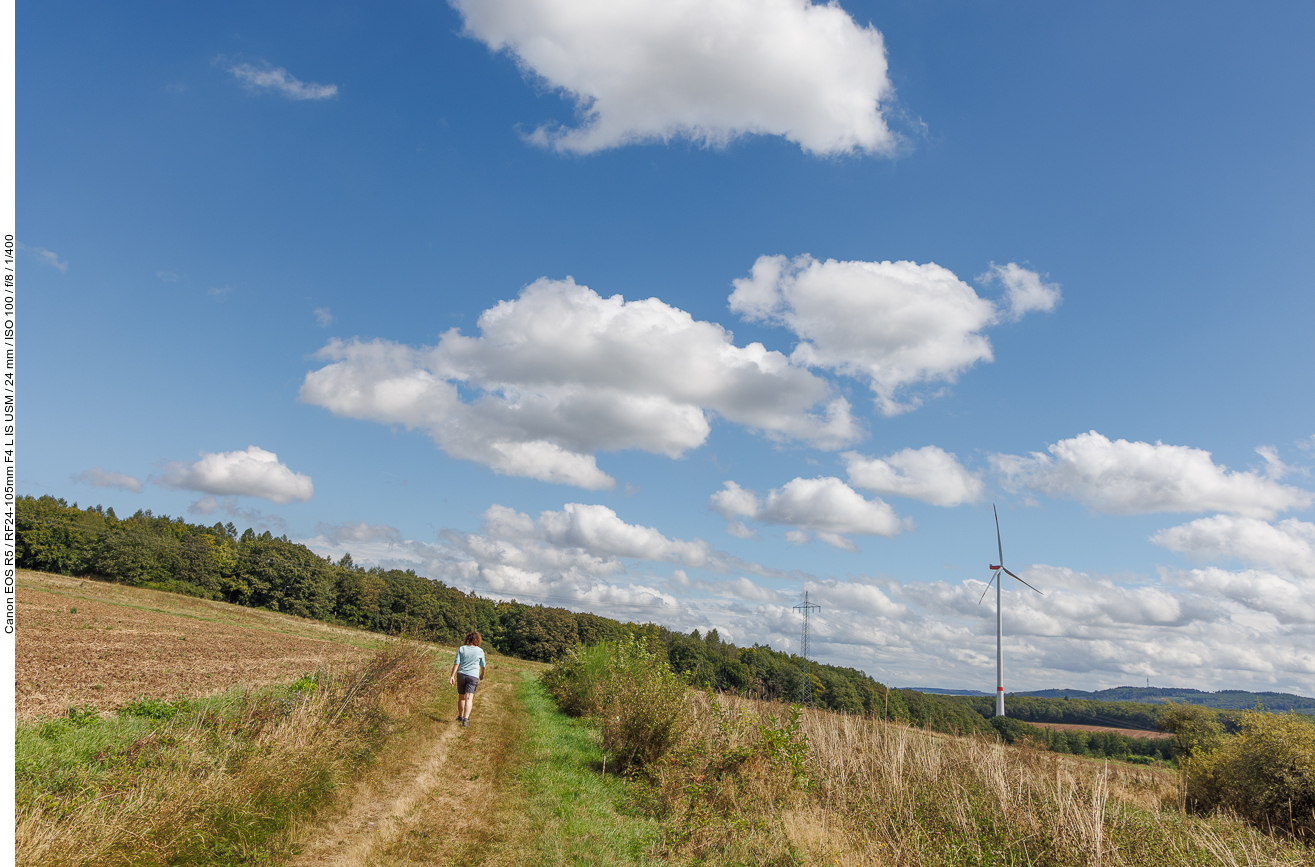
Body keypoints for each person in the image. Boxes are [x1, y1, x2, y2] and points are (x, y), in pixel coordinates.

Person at [449, 631, 486, 726]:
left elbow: (456, 663)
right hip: (473, 676)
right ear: (477, 640)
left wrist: (452, 676)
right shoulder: (480, 651)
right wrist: (482, 674)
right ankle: (466, 719)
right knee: (469, 698)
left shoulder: (461, 649)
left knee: (461, 697)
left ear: (467, 639)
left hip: (461, 674)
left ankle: (460, 716)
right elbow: (483, 665)